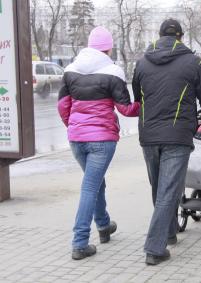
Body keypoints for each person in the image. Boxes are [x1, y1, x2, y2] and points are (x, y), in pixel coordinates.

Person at [132, 19, 201, 265]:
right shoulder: (195, 63)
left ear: (159, 36)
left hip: (148, 135)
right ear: (181, 37)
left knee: (159, 187)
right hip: (177, 135)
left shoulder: (141, 63)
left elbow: (136, 94)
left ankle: (169, 232)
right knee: (169, 189)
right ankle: (154, 247)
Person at [58, 27, 141, 260]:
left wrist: (74, 126)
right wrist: (146, 106)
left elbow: (63, 106)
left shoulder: (70, 70)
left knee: (95, 182)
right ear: (108, 47)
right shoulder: (113, 72)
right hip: (102, 140)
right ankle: (80, 242)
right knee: (90, 187)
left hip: (76, 139)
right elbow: (125, 108)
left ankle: (104, 225)